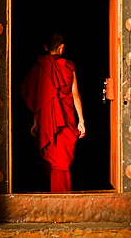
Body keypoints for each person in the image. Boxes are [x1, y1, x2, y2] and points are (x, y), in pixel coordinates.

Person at [21, 32, 85, 192]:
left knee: (51, 159)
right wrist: (81, 121)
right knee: (62, 161)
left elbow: (37, 98)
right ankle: (62, 195)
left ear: (45, 47)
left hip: (47, 121)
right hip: (66, 120)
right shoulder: (69, 66)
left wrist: (35, 121)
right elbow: (75, 95)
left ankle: (51, 195)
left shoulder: (39, 67)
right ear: (61, 48)